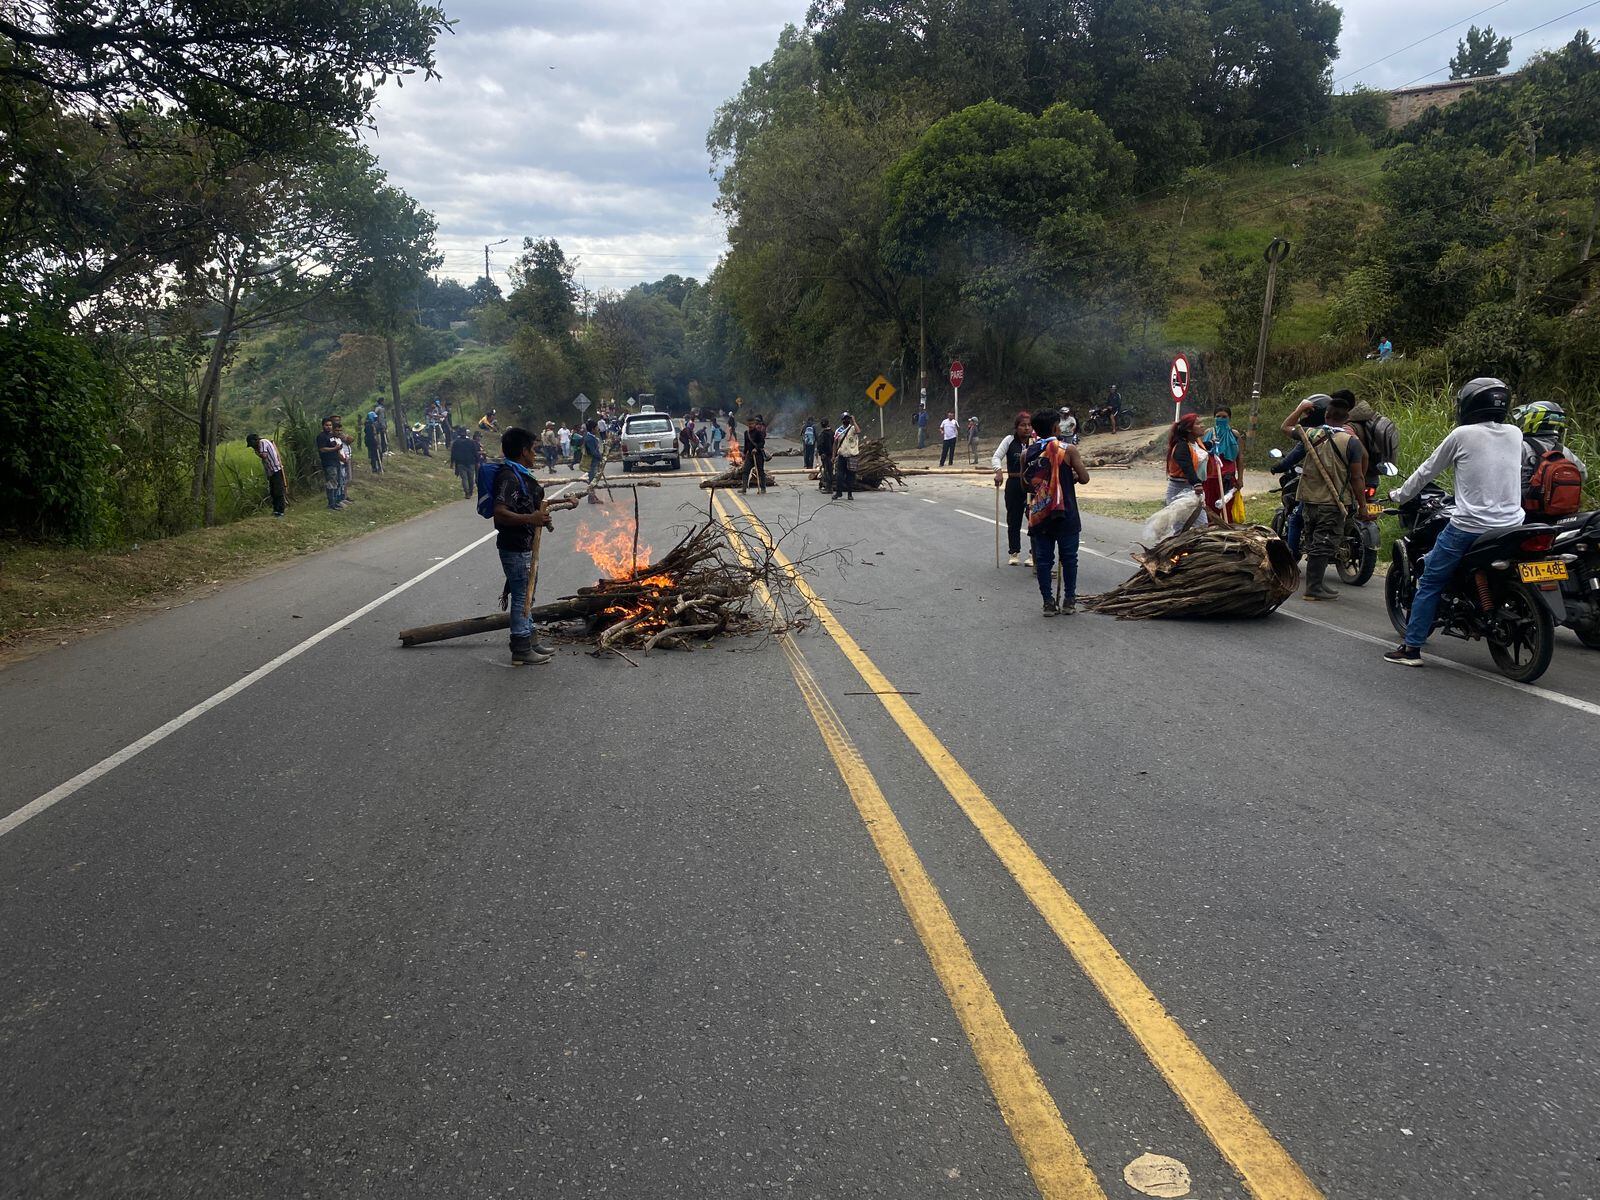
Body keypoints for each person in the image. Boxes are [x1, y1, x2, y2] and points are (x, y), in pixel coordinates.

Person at [1385, 378, 1525, 666]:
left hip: (1470, 526)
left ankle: (1411, 649)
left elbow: (1427, 471)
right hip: (1513, 525)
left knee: (1430, 581)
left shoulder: (1462, 435)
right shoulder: (1515, 433)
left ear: (1470, 405)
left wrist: (1399, 495)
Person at [1295, 392, 1369, 600]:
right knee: (1324, 543)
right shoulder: (1351, 442)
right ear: (1347, 418)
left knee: (1314, 541)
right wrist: (1362, 505)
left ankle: (1317, 584)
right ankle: (1313, 588)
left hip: (1310, 500)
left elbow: (1286, 426)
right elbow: (1357, 477)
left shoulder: (1311, 433)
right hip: (1332, 502)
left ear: (1326, 414)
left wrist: (1300, 409)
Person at [492, 426, 556, 666]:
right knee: (521, 596)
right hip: (515, 548)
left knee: (528, 593)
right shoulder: (508, 477)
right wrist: (531, 518)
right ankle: (520, 647)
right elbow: (500, 513)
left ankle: (530, 640)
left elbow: (530, 505)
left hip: (525, 545)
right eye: (533, 449)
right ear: (523, 451)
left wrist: (565, 503)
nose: (535, 454)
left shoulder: (519, 474)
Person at [1022, 409, 1090, 616]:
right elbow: (1085, 478)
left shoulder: (1027, 453)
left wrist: (1044, 485)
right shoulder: (1068, 450)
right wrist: (1070, 478)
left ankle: (1048, 603)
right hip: (1065, 512)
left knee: (1043, 560)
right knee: (1069, 558)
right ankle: (1069, 600)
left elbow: (1025, 486)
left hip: (1040, 514)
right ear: (1054, 428)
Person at [1513, 400, 1588, 520]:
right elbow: (1583, 474)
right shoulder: (1564, 451)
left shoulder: (1521, 447)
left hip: (1527, 514)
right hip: (1560, 514)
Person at [991, 412, 1034, 565]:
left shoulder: (1035, 442)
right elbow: (996, 457)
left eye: (1029, 425)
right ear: (1016, 427)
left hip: (1032, 485)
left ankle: (1034, 553)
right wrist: (998, 471)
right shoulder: (1009, 440)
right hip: (1014, 484)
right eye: (1023, 425)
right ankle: (1014, 552)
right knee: (1014, 518)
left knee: (1034, 518)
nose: (1026, 428)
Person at [1202, 405, 1245, 524]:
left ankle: (1229, 533)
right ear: (1214, 418)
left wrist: (1240, 479)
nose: (1221, 419)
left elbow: (1240, 457)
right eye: (1218, 416)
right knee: (1211, 513)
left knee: (1229, 512)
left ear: (1229, 418)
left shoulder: (1234, 435)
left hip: (1228, 479)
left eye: (1224, 417)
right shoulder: (1208, 433)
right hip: (1210, 479)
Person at [1165, 414, 1208, 524]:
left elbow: (1199, 453)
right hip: (1180, 490)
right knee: (1180, 526)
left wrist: (1213, 444)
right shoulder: (1181, 446)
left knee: (1202, 525)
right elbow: (1187, 466)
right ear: (1189, 429)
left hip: (1194, 489)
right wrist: (1197, 483)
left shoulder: (1197, 442)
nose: (1202, 426)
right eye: (1198, 424)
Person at [246, 433, 287, 518]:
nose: (252, 447)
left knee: (278, 492)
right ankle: (276, 511)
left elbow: (264, 455)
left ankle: (280, 512)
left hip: (276, 470)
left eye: (252, 445)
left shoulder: (263, 442)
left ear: (255, 441)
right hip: (271, 472)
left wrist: (257, 452)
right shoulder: (260, 446)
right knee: (273, 492)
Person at [315, 416, 345, 510]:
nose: (329, 427)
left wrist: (339, 451)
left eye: (330, 425)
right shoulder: (321, 436)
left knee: (338, 482)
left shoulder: (332, 436)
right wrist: (334, 448)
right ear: (323, 426)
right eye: (327, 425)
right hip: (328, 462)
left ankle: (335, 502)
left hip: (336, 461)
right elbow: (322, 449)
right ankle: (331, 504)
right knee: (331, 482)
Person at [741, 413, 771, 493]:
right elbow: (746, 444)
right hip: (750, 456)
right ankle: (744, 488)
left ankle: (763, 488)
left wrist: (756, 448)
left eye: (752, 424)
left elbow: (762, 443)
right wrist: (744, 453)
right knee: (745, 471)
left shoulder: (758, 433)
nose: (750, 425)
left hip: (758, 455)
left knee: (760, 472)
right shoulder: (746, 433)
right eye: (749, 424)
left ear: (754, 424)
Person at [833, 412, 860, 500]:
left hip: (851, 456)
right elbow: (835, 443)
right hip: (842, 456)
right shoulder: (838, 430)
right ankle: (838, 493)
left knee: (850, 476)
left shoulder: (852, 428)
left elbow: (858, 431)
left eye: (848, 418)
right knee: (839, 476)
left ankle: (850, 494)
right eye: (845, 419)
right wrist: (833, 455)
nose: (846, 420)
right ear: (842, 420)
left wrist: (854, 421)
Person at [580, 419, 605, 503]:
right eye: (597, 427)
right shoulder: (589, 439)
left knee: (594, 479)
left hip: (594, 462)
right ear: (592, 429)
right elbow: (593, 452)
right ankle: (591, 498)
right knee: (592, 480)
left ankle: (593, 496)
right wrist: (600, 457)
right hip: (592, 462)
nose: (598, 429)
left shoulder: (591, 437)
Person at [449, 427, 477, 498]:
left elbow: (453, 454)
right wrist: (477, 461)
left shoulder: (456, 442)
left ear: (459, 433)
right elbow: (475, 452)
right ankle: (470, 492)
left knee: (464, 478)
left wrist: (452, 463)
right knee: (471, 478)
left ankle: (467, 493)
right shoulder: (471, 442)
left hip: (460, 463)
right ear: (466, 433)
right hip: (471, 462)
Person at [331, 415, 353, 503]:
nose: (337, 422)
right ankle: (339, 499)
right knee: (340, 479)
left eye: (339, 420)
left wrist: (343, 436)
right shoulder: (332, 436)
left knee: (345, 479)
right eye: (335, 420)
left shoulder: (340, 433)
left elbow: (350, 439)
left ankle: (344, 496)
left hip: (346, 457)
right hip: (340, 459)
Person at [817, 413, 836, 493]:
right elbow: (835, 444)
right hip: (831, 454)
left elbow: (820, 445)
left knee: (827, 471)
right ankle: (829, 487)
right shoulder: (832, 433)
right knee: (830, 471)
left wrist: (821, 453)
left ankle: (828, 488)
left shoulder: (823, 434)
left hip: (825, 455)